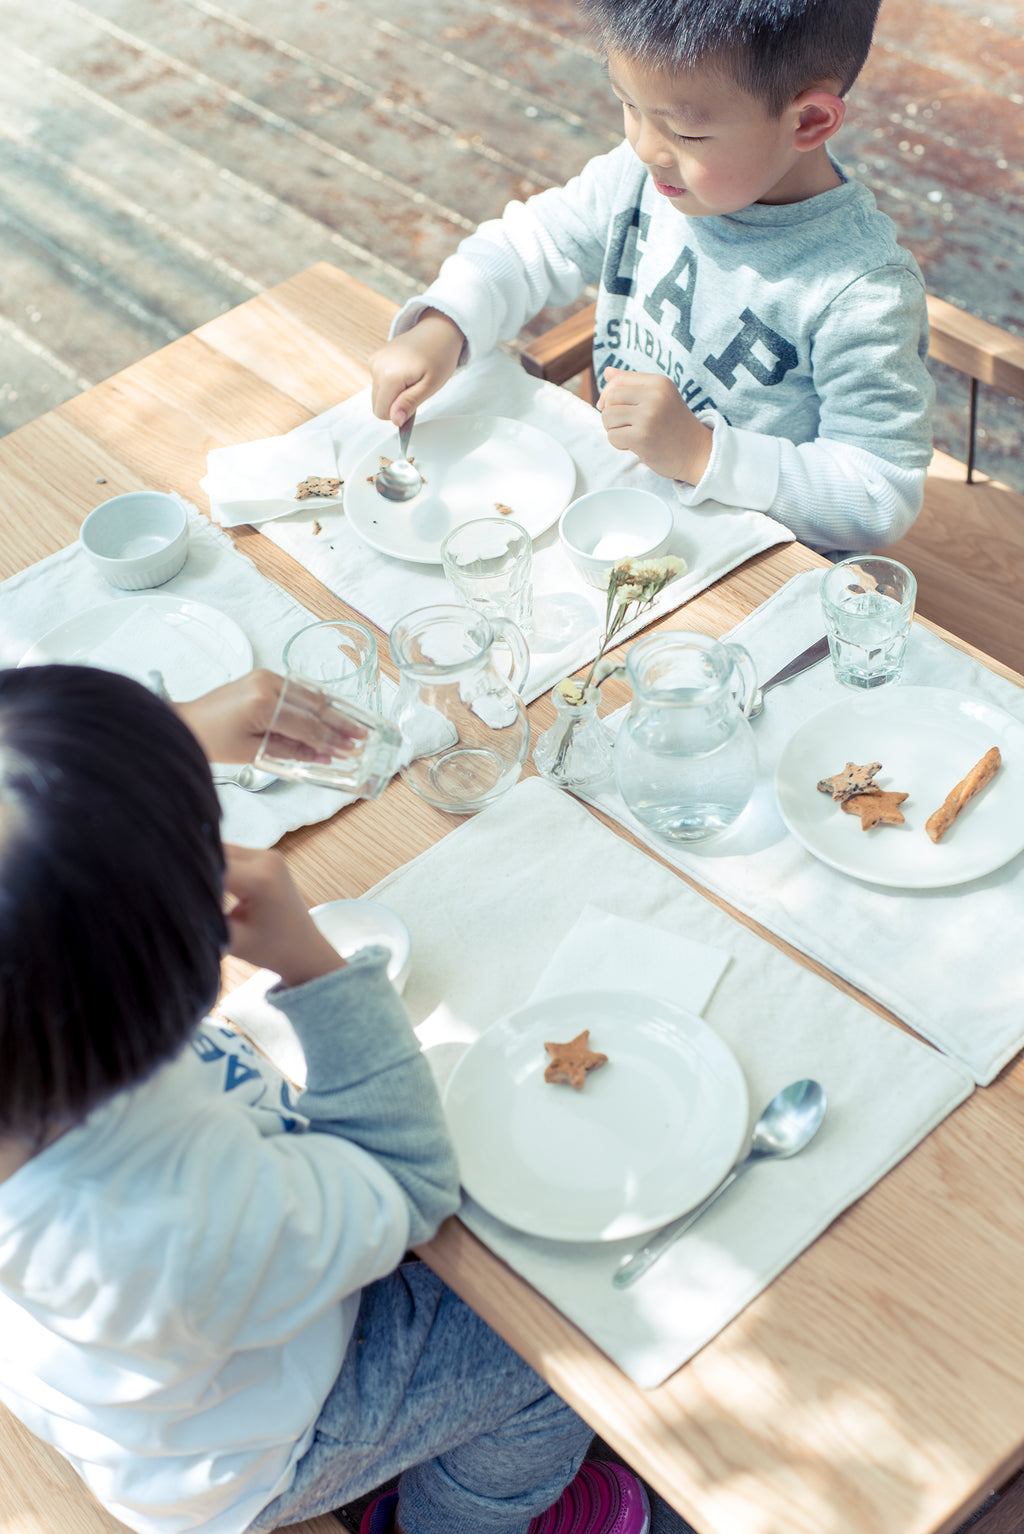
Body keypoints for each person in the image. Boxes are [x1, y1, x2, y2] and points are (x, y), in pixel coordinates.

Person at [0, 663, 651, 1534]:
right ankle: (450, 1513)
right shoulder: (155, 1226)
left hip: (173, 1368)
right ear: (180, 967)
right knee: (554, 1355)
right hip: (263, 1440)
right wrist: (313, 969)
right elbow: (409, 1181)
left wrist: (164, 744)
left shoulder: (45, 1041)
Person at [368, 0, 934, 555]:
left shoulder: (860, 292)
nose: (644, 147)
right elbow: (536, 241)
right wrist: (443, 325)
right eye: (629, 104)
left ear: (809, 120)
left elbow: (877, 491)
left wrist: (702, 454)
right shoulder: (643, 177)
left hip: (757, 562)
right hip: (619, 509)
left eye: (686, 134)